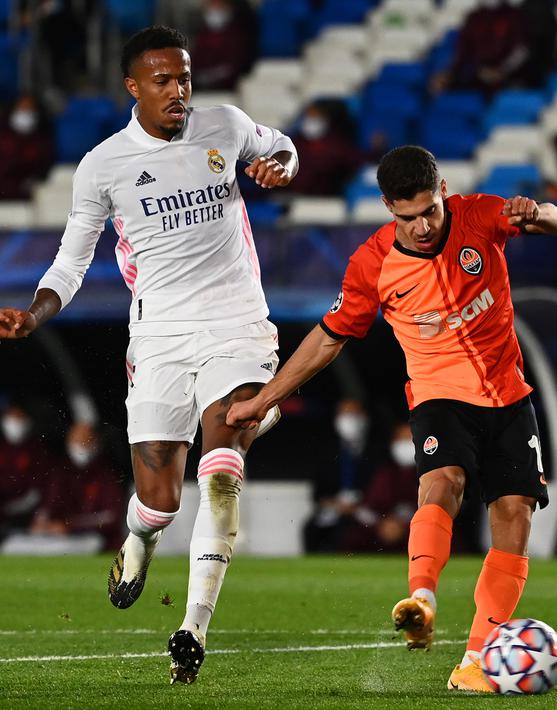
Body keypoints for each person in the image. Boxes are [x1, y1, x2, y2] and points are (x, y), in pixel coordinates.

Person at [0, 26, 297, 684]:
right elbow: (71, 263)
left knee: (221, 468)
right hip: (159, 335)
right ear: (133, 87)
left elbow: (282, 147)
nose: (178, 91)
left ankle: (193, 627)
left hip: (237, 325)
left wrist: (280, 166)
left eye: (184, 77)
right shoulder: (103, 166)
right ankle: (139, 538)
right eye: (162, 80)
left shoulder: (225, 125)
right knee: (159, 500)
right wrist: (34, 314)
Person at [227, 145, 557, 692]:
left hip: (508, 396)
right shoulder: (373, 263)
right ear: (388, 206)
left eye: (430, 211)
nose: (422, 226)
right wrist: (266, 397)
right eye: (408, 217)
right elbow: (328, 338)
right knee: (443, 483)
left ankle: (476, 661)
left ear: (443, 192)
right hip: (439, 396)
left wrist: (538, 212)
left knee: (515, 515)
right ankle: (421, 599)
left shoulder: (480, 216)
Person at [30, 421, 126, 549]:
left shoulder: (107, 475)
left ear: (96, 442)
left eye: (86, 440)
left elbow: (111, 517)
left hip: (95, 538)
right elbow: (48, 505)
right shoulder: (60, 472)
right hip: (57, 536)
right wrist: (42, 521)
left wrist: (69, 526)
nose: (81, 445)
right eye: (77, 440)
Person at [303, 398, 381, 552]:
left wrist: (358, 506)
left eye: (353, 414)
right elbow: (318, 494)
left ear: (364, 418)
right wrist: (336, 504)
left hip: (366, 509)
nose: (348, 419)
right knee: (312, 528)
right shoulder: (327, 451)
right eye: (344, 414)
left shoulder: (376, 449)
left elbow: (381, 487)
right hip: (335, 509)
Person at [341, 421, 421, 551]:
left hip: (416, 528)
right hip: (378, 530)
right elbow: (366, 508)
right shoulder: (382, 472)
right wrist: (382, 523)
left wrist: (402, 523)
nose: (406, 443)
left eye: (411, 439)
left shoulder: (430, 474)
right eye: (402, 438)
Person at [430, 0, 531, 97]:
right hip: (476, 73)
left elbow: (522, 50)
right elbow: (462, 52)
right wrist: (450, 73)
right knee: (441, 85)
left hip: (507, 75)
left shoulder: (514, 16)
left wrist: (502, 70)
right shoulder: (474, 17)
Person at [286, 101, 368, 197]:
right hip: (292, 196)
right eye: (309, 117)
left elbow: (357, 160)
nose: (311, 121)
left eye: (316, 117)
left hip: (327, 197)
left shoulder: (336, 145)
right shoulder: (293, 143)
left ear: (325, 120)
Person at [0, 401, 50, 540]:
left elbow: (40, 491)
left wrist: (7, 510)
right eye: (11, 417)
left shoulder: (38, 451)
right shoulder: (2, 447)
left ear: (28, 421)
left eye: (19, 417)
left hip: (27, 516)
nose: (14, 423)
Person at [190, 0, 258, 91]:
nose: (215, 8)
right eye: (212, 4)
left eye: (219, 5)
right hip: (200, 89)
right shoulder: (202, 34)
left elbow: (236, 66)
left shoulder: (237, 35)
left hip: (230, 89)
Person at [0, 93, 55, 200]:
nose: (25, 112)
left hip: (30, 193)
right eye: (22, 108)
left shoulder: (42, 139)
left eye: (29, 109)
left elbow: (44, 166)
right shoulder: (3, 135)